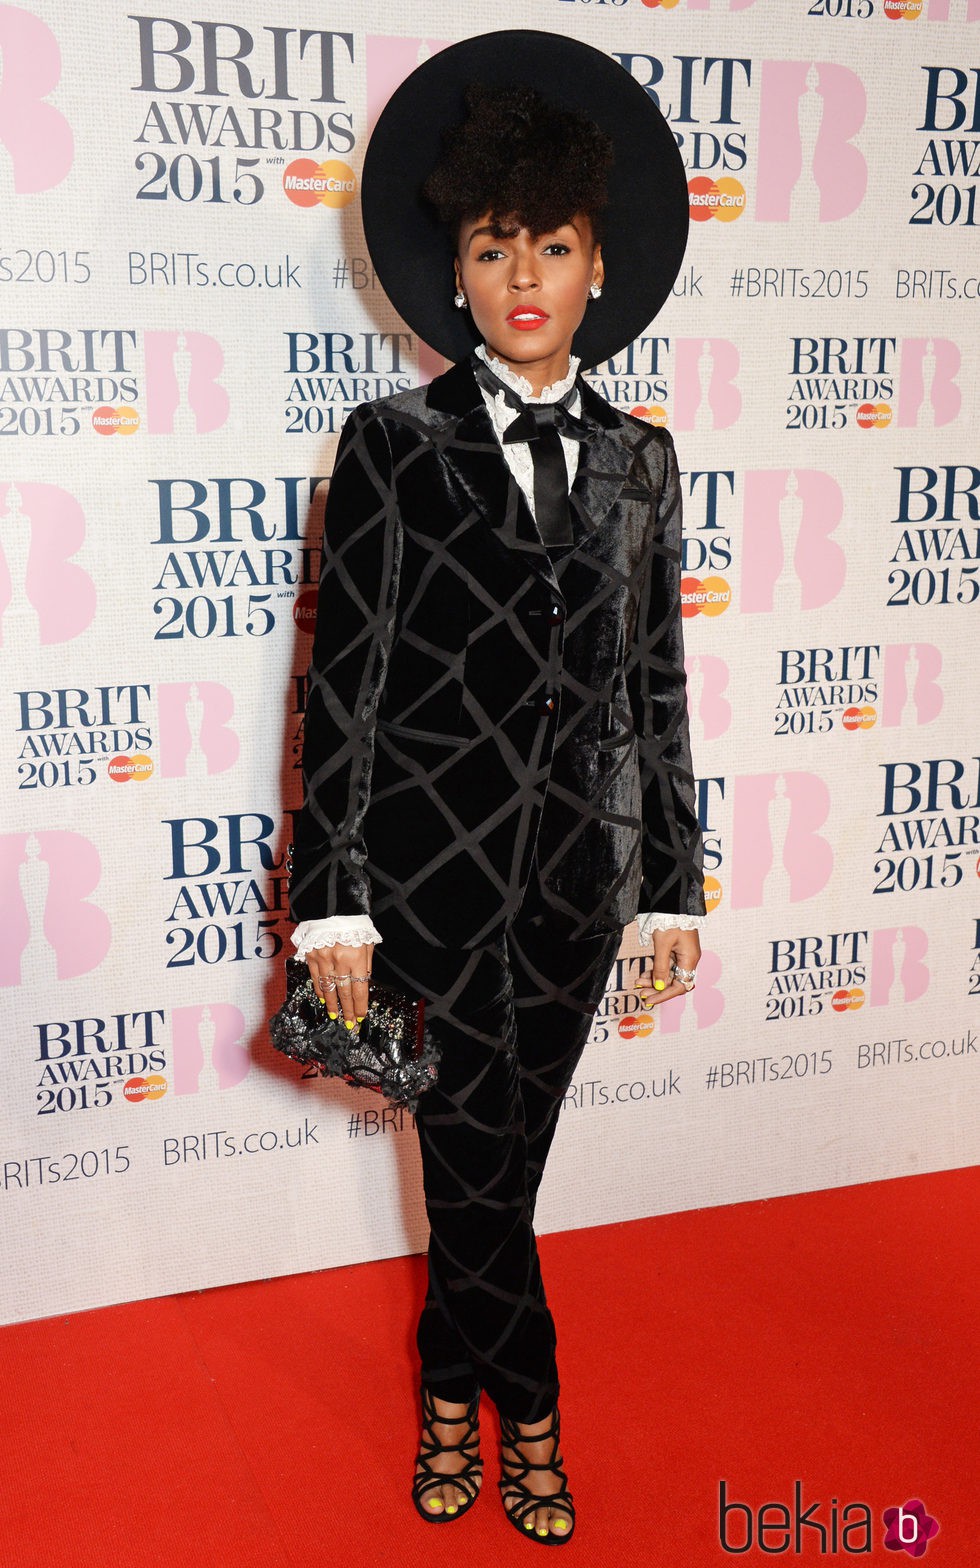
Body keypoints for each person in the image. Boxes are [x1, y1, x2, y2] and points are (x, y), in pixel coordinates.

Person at [287, 31, 705, 1545]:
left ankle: (450, 1386)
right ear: (450, 268)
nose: (521, 272)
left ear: (600, 265)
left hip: (581, 893)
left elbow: (656, 680)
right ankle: (518, 1413)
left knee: (495, 1170)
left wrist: (670, 875)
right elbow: (346, 685)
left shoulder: (646, 462)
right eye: (489, 243)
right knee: (471, 1159)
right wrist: (331, 900)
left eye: (552, 243)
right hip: (420, 886)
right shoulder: (391, 447)